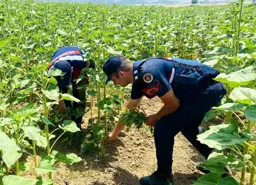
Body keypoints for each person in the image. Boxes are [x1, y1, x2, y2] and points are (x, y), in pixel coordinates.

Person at [103, 56, 227, 185]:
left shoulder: (148, 73)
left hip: (205, 91)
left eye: (113, 80)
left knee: (164, 128)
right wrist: (113, 135)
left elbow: (173, 105)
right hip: (200, 91)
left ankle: (163, 177)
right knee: (188, 128)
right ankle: (218, 165)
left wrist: (156, 117)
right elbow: (130, 108)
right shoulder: (139, 76)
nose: (115, 84)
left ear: (121, 74)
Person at [47, 46, 95, 129]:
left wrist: (78, 80)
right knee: (62, 93)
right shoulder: (50, 71)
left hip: (79, 65)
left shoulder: (84, 63)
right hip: (61, 57)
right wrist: (65, 113)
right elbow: (56, 95)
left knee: (80, 92)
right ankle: (69, 115)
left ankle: (78, 120)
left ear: (72, 70)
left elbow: (92, 67)